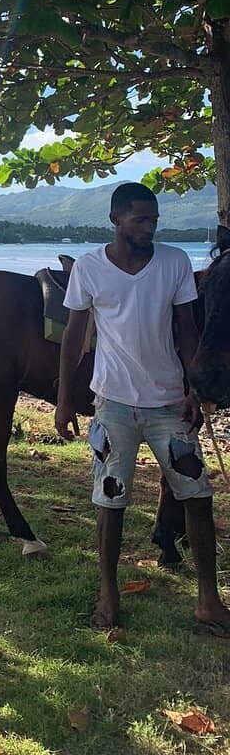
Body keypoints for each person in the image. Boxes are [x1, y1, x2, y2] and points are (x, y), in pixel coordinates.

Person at [55, 182, 230, 636]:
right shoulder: (90, 268)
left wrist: (193, 388)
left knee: (198, 496)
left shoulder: (174, 261)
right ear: (115, 220)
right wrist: (63, 398)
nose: (149, 227)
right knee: (109, 501)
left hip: (170, 402)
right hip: (112, 404)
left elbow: (186, 329)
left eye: (154, 220)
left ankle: (208, 601)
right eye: (140, 220)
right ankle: (108, 593)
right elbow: (74, 335)